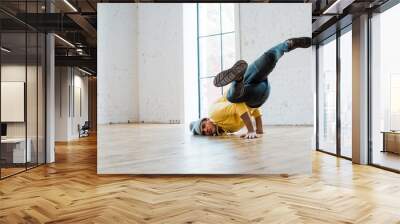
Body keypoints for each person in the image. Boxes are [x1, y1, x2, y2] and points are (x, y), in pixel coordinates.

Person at [190, 37, 311, 139]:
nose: (207, 130)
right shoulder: (229, 129)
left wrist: (251, 130)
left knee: (268, 59)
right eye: (204, 133)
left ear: (206, 120)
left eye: (204, 126)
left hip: (247, 88)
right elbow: (255, 110)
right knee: (240, 98)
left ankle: (288, 45)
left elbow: (237, 106)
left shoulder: (214, 113)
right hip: (258, 95)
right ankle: (238, 79)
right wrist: (259, 130)